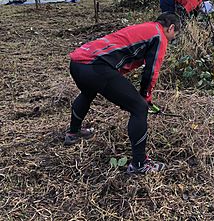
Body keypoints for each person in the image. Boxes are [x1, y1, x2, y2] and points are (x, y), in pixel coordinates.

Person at [64, 12, 183, 174]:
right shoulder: (159, 36)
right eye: (174, 36)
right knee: (139, 108)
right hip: (96, 67)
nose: (171, 39)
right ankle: (139, 164)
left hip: (78, 62)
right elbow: (151, 71)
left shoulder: (145, 28)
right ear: (171, 28)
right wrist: (145, 97)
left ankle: (73, 133)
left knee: (88, 92)